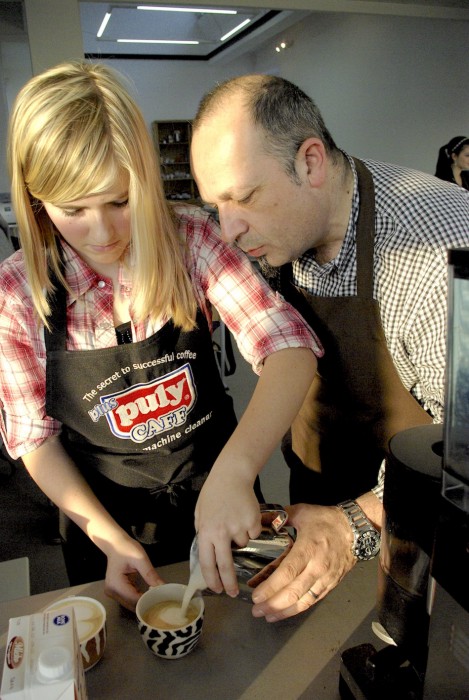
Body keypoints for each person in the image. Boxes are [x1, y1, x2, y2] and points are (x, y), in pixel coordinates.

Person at [0, 62, 322, 611]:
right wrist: (106, 537)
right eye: (73, 210)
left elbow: (289, 349)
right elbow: (35, 440)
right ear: (36, 201)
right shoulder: (16, 295)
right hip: (106, 524)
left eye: (120, 201)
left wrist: (237, 471)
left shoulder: (192, 239)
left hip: (220, 495)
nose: (102, 232)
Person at [190, 74, 469, 621]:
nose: (229, 230)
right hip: (316, 490)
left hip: (422, 522)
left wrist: (355, 523)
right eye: (216, 205)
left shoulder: (437, 245)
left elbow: (462, 449)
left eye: (244, 197)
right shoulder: (271, 237)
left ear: (311, 162)